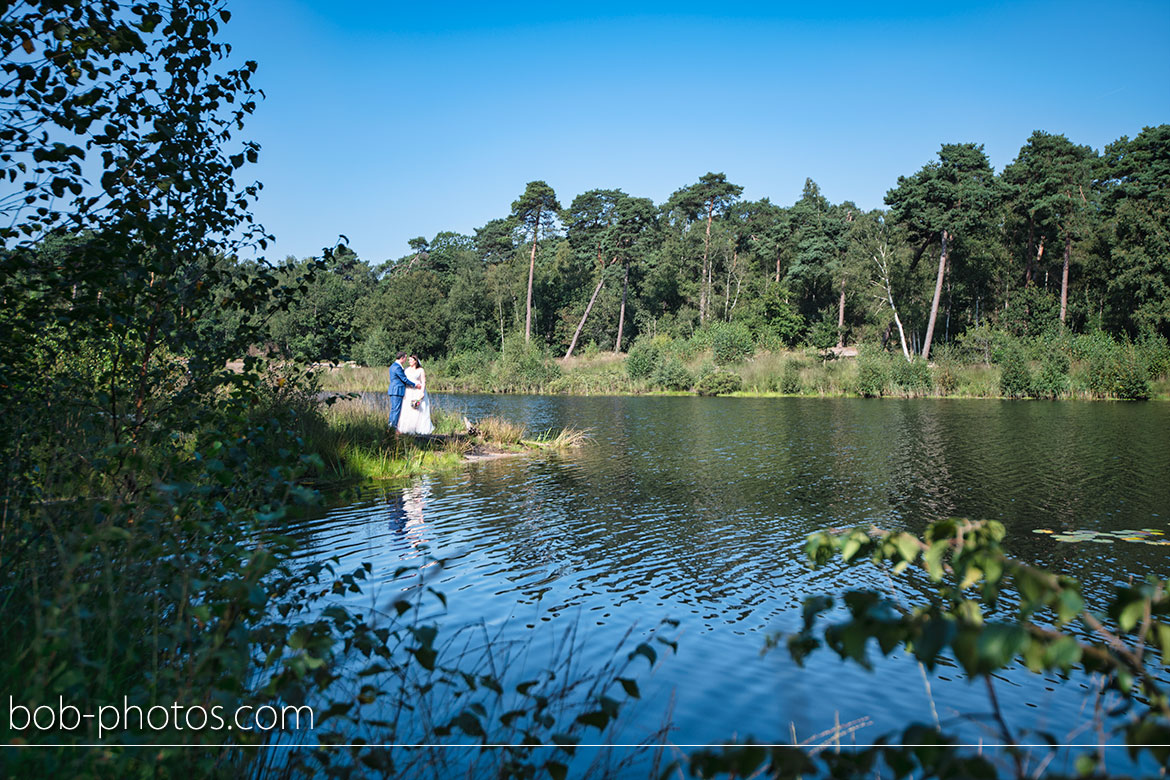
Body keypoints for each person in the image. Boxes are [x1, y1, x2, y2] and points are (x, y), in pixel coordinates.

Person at [396, 355, 434, 435]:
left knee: (417, 409)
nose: (409, 361)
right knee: (407, 409)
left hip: (417, 391)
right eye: (408, 360)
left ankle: (418, 428)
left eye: (411, 360)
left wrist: (422, 392)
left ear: (415, 361)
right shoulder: (406, 370)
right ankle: (407, 428)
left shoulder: (420, 370)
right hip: (408, 391)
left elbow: (423, 382)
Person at [387, 352, 419, 432]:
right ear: (402, 358)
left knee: (394, 409)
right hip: (397, 390)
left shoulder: (393, 366)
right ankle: (393, 428)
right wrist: (415, 384)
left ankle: (390, 426)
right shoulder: (397, 367)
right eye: (405, 358)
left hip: (394, 390)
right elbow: (404, 379)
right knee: (396, 410)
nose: (406, 360)